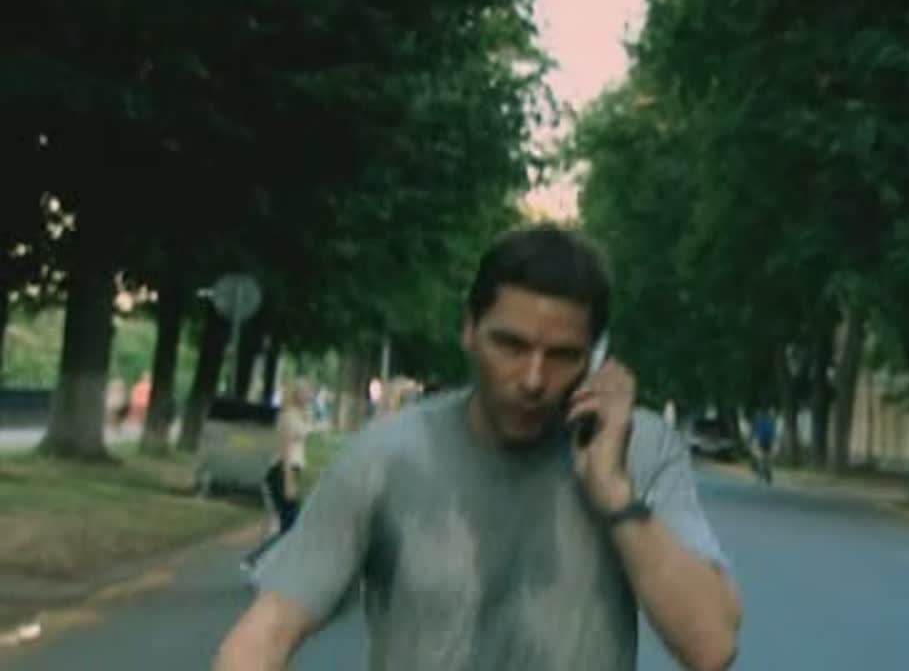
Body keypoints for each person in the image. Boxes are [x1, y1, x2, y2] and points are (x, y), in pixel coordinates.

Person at [214, 225, 741, 671]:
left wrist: (615, 495)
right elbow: (270, 629)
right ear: (469, 330)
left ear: (595, 357)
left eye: (562, 355)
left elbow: (712, 646)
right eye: (510, 345)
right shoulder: (387, 456)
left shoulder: (638, 450)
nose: (533, 379)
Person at [240, 379, 314, 577]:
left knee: (291, 526)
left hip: (293, 470)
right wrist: (288, 481)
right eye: (305, 391)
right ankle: (254, 560)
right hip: (282, 470)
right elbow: (285, 449)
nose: (310, 395)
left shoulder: (301, 415)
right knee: (291, 526)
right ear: (296, 394)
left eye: (310, 391)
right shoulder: (287, 416)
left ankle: (267, 565)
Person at [750, 410, 777, 485]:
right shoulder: (770, 423)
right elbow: (773, 434)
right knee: (767, 459)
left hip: (761, 442)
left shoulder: (758, 422)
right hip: (768, 442)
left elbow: (755, 434)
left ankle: (761, 475)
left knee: (761, 459)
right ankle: (768, 475)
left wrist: (753, 443)